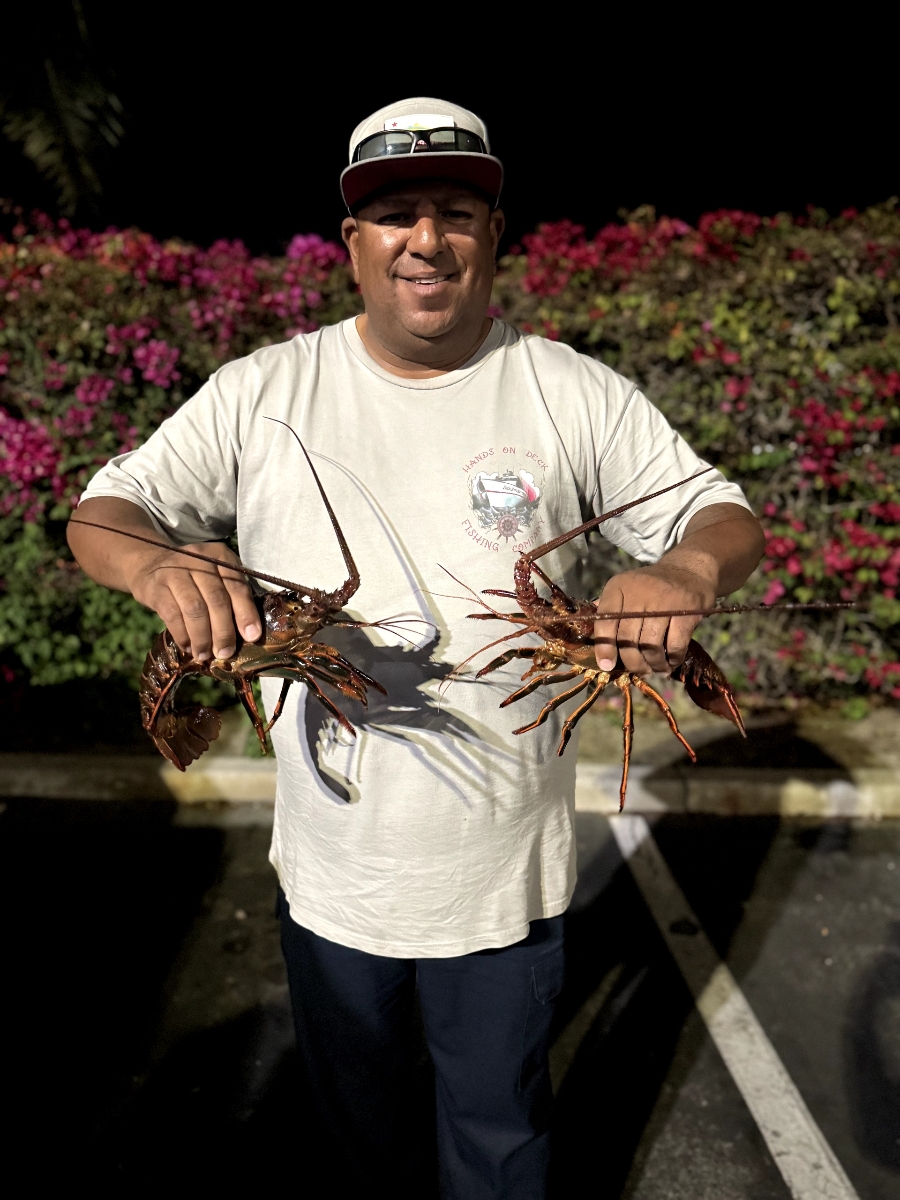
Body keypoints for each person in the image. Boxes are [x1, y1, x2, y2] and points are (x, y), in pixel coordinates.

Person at [67, 97, 764, 1198]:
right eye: (395, 214)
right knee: (360, 1146)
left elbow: (721, 516)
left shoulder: (567, 389)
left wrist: (681, 571)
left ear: (495, 234)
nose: (424, 240)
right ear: (353, 243)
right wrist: (154, 566)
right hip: (334, 884)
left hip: (501, 890)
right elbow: (105, 510)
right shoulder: (265, 392)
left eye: (454, 211)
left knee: (497, 1143)